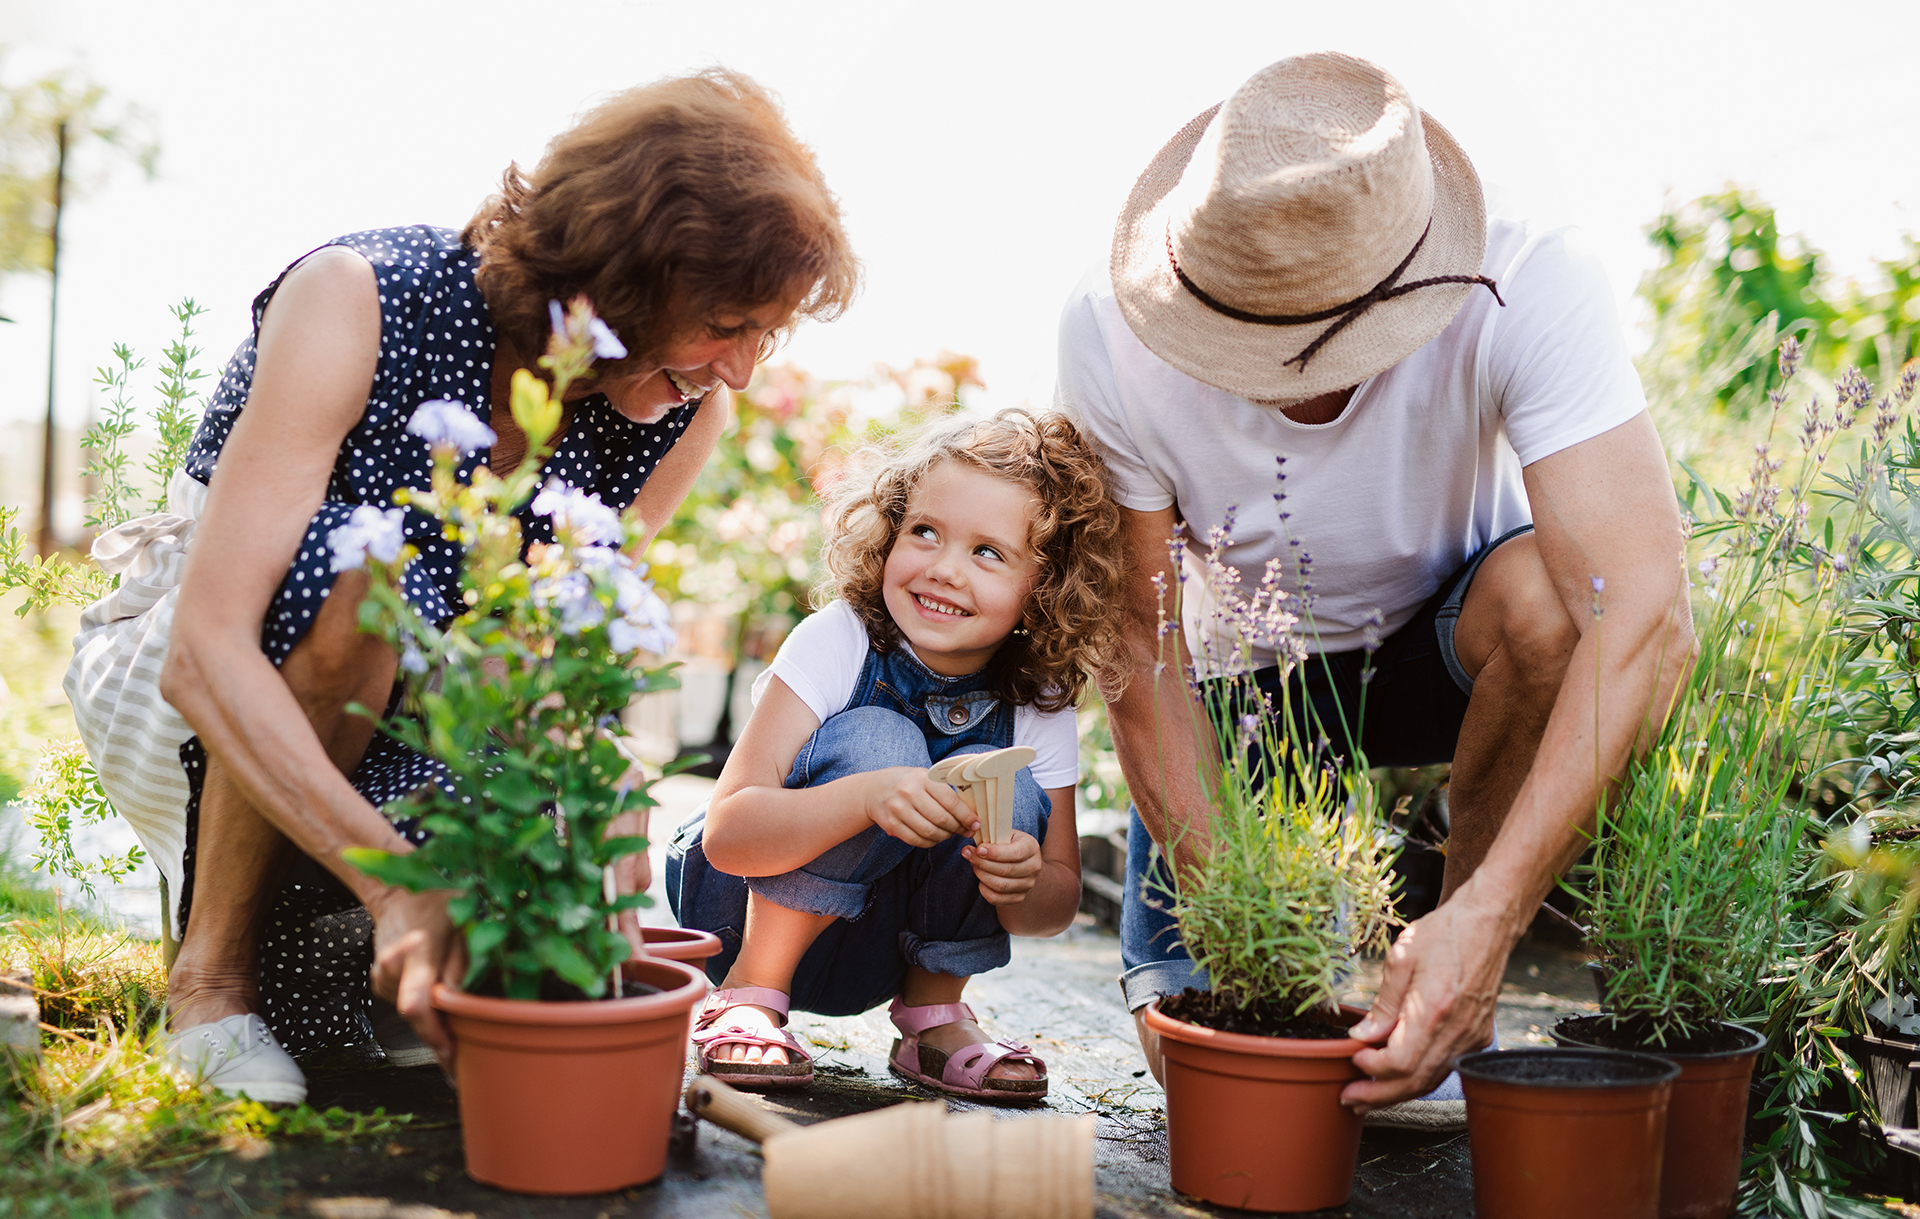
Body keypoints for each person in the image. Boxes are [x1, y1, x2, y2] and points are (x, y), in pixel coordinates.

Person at [65, 69, 858, 1105]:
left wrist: (596, 847)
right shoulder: (360, 298)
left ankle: (312, 955)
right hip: (204, 689)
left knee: (501, 951)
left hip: (418, 715)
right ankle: (211, 974)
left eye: (767, 334)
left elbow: (534, 657)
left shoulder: (677, 412)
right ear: (625, 270)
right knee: (363, 581)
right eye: (726, 323)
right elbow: (204, 649)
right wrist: (399, 881)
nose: (743, 369)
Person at [1055, 52, 1694, 1126]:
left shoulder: (1524, 277)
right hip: (1243, 692)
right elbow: (1135, 644)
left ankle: (1456, 969)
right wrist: (1248, 927)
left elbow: (1645, 614)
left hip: (1447, 649)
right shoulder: (1107, 333)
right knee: (1236, 1073)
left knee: (1553, 599)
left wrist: (1489, 921)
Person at [665, 410, 1124, 1103]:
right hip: (741, 912)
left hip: (887, 951)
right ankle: (750, 994)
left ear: (1046, 587)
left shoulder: (1040, 694)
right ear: (890, 531)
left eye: (988, 552)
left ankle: (934, 1017)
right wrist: (864, 794)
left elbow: (1051, 907)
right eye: (926, 532)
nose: (943, 569)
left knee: (1004, 781)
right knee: (882, 739)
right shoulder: (838, 639)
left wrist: (1022, 876)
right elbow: (727, 835)